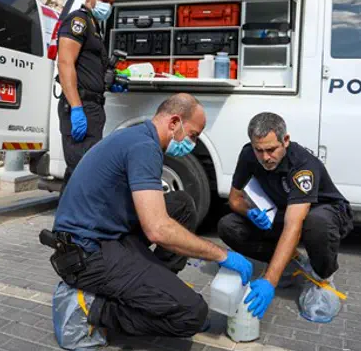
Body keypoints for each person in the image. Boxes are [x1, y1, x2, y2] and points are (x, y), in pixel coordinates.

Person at [50, 93, 253, 337]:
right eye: (193, 135)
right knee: (192, 315)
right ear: (174, 122)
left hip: (105, 237)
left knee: (182, 204)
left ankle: (156, 288)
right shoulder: (144, 147)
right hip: (86, 255)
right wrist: (221, 255)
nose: (193, 143)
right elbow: (158, 229)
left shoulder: (137, 137)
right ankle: (90, 308)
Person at [217, 112, 354, 319]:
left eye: (271, 150)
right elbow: (235, 199)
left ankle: (322, 278)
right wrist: (250, 212)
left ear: (286, 141)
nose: (265, 157)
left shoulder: (302, 165)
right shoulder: (249, 155)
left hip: (326, 212)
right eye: (259, 150)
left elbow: (294, 225)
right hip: (286, 210)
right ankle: (290, 264)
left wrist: (269, 281)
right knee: (228, 226)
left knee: (315, 223)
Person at [56, 0, 124, 188]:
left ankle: (72, 219)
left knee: (84, 171)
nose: (107, 6)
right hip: (80, 106)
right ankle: (71, 220)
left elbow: (89, 68)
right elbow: (65, 63)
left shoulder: (95, 26)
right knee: (81, 172)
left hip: (93, 107)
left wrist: (109, 83)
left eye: (112, 2)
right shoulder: (78, 21)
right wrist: (77, 108)